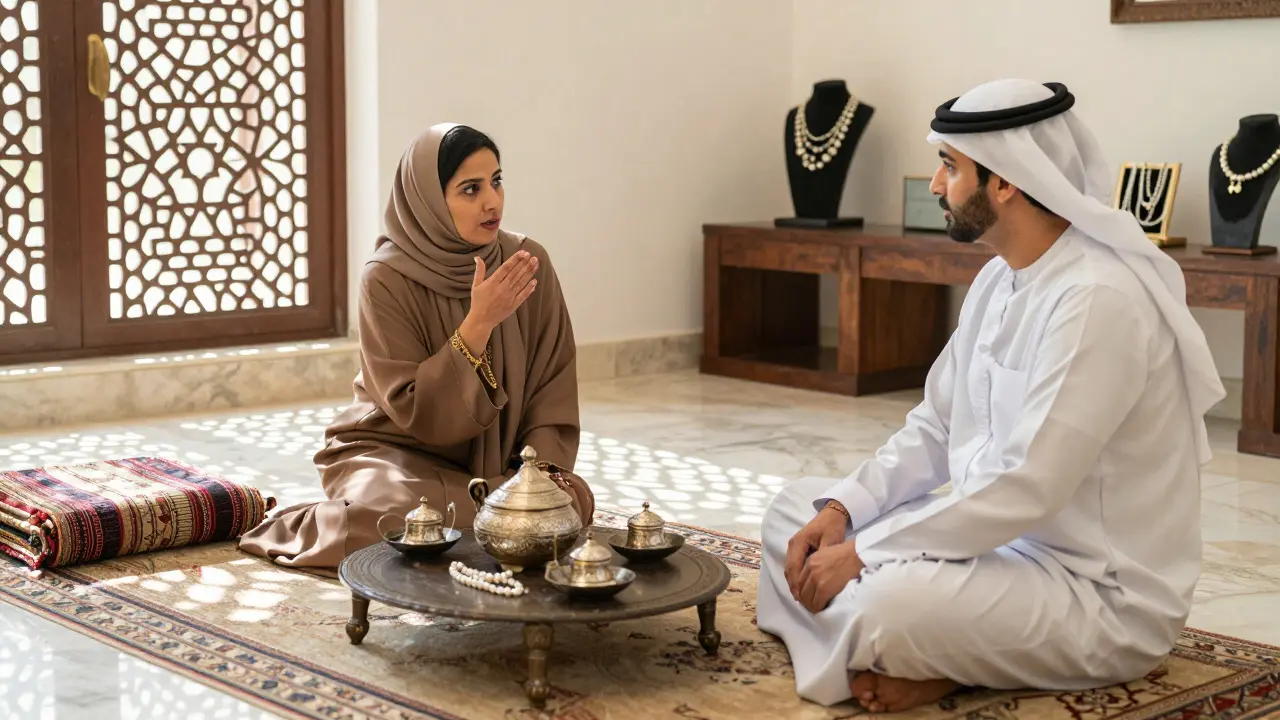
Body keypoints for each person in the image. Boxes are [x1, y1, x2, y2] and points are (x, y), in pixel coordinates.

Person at [756, 79, 1225, 714]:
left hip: (1095, 595)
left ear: (1004, 181)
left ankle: (918, 650)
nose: (934, 184)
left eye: (950, 166)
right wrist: (843, 510)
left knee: (884, 603)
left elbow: (1026, 486)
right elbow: (936, 428)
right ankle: (940, 655)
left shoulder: (1098, 300)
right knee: (794, 514)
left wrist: (865, 553)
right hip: (998, 551)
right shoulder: (1000, 277)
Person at [239, 123, 594, 571]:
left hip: (504, 467)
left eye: (496, 181)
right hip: (396, 454)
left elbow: (552, 387)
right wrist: (479, 322)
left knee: (567, 501)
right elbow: (415, 410)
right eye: (470, 189)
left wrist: (539, 476)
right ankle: (321, 523)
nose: (492, 202)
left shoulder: (524, 262)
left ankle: (493, 511)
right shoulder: (385, 277)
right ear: (427, 199)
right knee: (394, 516)